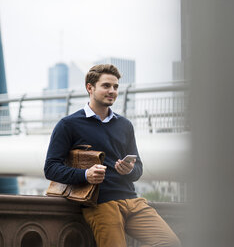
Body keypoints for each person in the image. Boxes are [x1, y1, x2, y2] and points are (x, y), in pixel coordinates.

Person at [44, 64, 181, 247]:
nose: (112, 91)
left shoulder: (125, 125)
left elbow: (138, 169)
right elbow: (51, 168)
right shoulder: (68, 125)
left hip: (132, 201)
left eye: (115, 87)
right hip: (100, 204)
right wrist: (85, 175)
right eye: (106, 86)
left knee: (171, 242)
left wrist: (129, 170)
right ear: (90, 88)